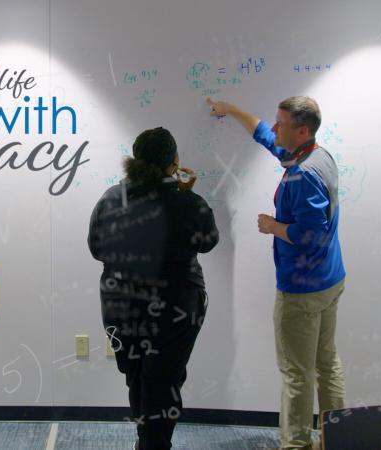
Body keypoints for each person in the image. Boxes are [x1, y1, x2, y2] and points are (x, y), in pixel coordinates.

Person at [206, 96, 346, 450]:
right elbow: (268, 138)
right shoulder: (317, 156)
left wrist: (273, 226)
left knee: (297, 373)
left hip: (302, 289)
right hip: (329, 279)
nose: (275, 128)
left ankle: (295, 445)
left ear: (301, 130)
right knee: (326, 364)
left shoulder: (302, 176)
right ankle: (337, 439)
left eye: (281, 123)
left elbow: (308, 235)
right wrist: (234, 108)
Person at [88, 127, 219, 450]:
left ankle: (147, 439)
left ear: (135, 160)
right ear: (174, 162)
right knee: (164, 378)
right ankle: (153, 443)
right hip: (177, 305)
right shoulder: (188, 201)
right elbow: (208, 242)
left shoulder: (112, 198)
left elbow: (96, 248)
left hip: (122, 304)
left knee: (138, 374)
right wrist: (186, 196)